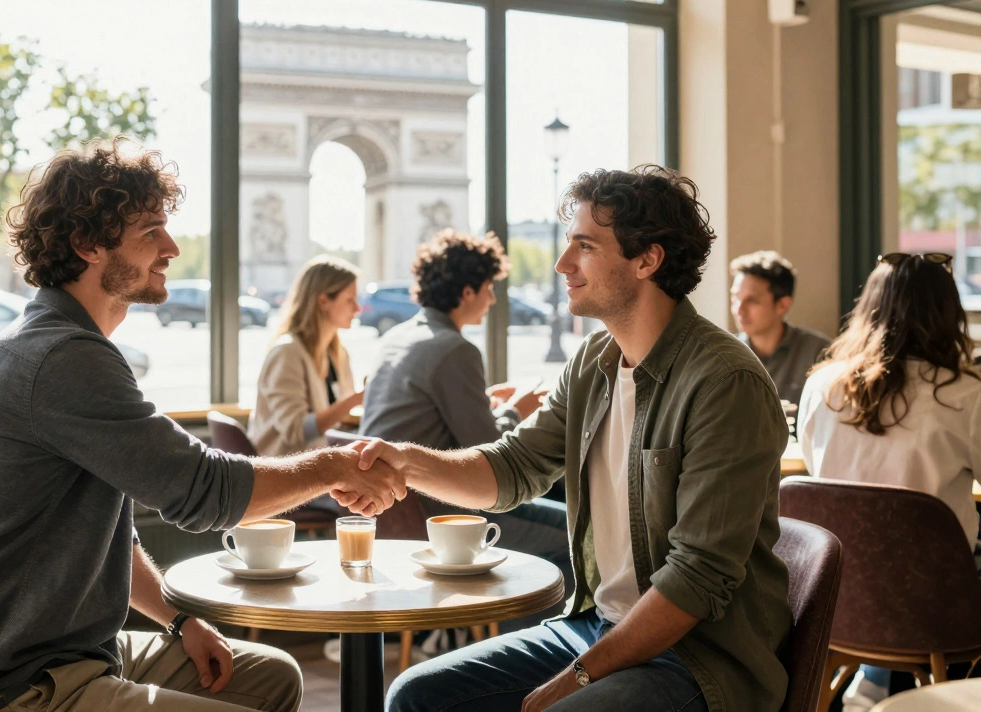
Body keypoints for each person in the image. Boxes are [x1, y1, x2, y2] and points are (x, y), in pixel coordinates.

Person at [0, 137, 405, 712]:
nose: (172, 247)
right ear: (87, 245)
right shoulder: (62, 357)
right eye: (151, 231)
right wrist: (333, 467)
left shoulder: (58, 342)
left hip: (53, 651)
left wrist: (178, 620)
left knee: (272, 677)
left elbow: (109, 537)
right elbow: (204, 490)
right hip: (9, 682)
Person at [346, 166, 792, 712]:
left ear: (647, 260)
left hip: (698, 658)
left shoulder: (725, 381)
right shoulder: (592, 361)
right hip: (597, 625)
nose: (562, 264)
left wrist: (575, 679)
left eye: (585, 246)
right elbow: (512, 467)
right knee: (415, 695)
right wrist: (406, 461)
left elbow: (695, 581)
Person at [797, 252, 980, 712]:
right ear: (947, 312)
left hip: (836, 602)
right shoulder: (967, 395)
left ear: (869, 308)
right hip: (936, 613)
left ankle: (872, 683)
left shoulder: (822, 387)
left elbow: (821, 482)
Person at [359, 229, 570, 604]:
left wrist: (487, 401)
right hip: (446, 511)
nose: (492, 299)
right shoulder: (455, 350)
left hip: (398, 512)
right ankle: (541, 638)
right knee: (577, 533)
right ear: (468, 291)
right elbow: (491, 455)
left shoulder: (399, 338)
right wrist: (516, 409)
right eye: (489, 288)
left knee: (560, 509)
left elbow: (432, 420)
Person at [248, 255, 365, 456]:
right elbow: (296, 431)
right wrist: (356, 400)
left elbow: (338, 419)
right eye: (349, 300)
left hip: (316, 462)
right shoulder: (287, 353)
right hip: (284, 466)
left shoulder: (337, 353)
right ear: (323, 301)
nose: (357, 308)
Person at [730, 250, 830, 406]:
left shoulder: (819, 353)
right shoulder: (725, 354)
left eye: (752, 300)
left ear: (783, 305)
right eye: (736, 297)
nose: (739, 309)